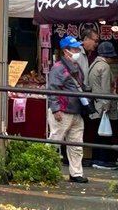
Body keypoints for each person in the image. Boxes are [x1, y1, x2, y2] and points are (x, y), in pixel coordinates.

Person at [46, 36, 89, 183]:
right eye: (75, 49)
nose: (78, 51)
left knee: (76, 144)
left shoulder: (75, 67)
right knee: (55, 142)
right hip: (63, 111)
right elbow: (52, 89)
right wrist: (56, 109)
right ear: (66, 51)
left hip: (75, 111)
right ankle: (47, 170)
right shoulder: (58, 68)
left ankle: (76, 173)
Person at [87, 41, 118, 168]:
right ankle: (103, 160)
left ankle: (97, 158)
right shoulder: (104, 67)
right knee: (105, 134)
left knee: (97, 133)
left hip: (94, 103)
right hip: (102, 105)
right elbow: (106, 88)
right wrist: (107, 105)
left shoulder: (93, 64)